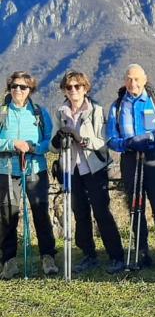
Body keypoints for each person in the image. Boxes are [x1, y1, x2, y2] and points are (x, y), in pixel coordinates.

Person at [50, 71, 125, 274]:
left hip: (94, 168)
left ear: (85, 88)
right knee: (80, 213)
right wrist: (58, 139)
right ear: (64, 90)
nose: (73, 90)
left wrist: (82, 139)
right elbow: (53, 146)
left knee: (102, 212)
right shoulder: (60, 112)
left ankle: (116, 255)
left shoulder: (96, 110)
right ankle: (89, 255)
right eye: (69, 87)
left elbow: (103, 140)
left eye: (78, 86)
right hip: (71, 169)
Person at [106, 64, 155, 270]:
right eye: (128, 79)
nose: (132, 83)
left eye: (136, 79)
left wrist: (151, 138)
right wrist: (127, 143)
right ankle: (141, 251)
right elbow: (111, 138)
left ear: (145, 79)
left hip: (154, 158)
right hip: (130, 159)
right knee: (135, 207)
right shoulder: (117, 106)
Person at [0, 71, 58, 279]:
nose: (18, 90)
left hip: (35, 168)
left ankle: (48, 257)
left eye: (23, 87)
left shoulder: (39, 113)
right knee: (8, 215)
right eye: (14, 86)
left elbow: (49, 142)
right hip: (6, 170)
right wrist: (11, 144)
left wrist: (34, 147)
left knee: (41, 212)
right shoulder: (2, 113)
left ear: (30, 90)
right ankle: (8, 261)